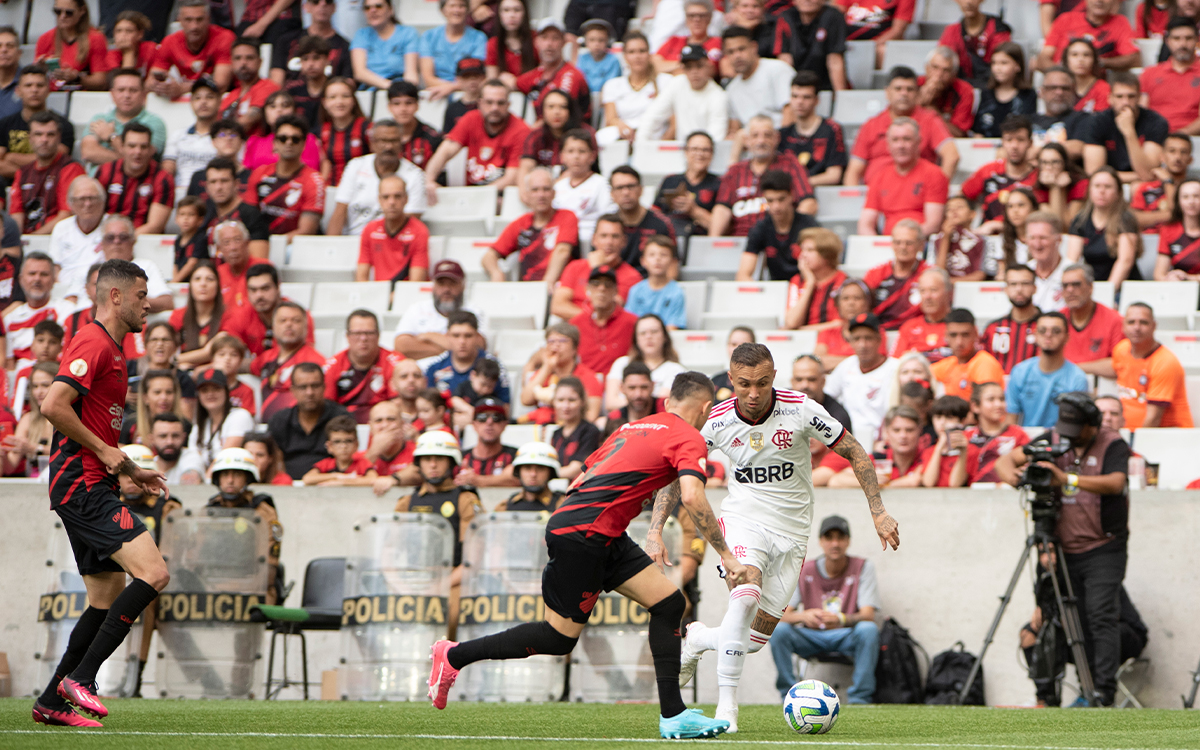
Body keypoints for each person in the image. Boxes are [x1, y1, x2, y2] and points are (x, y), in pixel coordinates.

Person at [429, 372, 748, 740]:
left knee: (669, 604)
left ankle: (673, 715)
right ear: (707, 408)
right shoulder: (688, 436)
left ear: (666, 402)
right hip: (587, 534)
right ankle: (453, 657)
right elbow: (692, 496)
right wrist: (727, 555)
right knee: (558, 638)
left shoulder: (631, 427)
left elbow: (581, 477)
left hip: (596, 529)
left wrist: (650, 528)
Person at [678, 343, 898, 730]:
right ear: (731, 380)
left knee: (753, 639)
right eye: (744, 384)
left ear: (774, 377)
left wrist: (878, 511)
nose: (753, 392)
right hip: (743, 520)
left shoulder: (801, 409)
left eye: (762, 383)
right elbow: (675, 471)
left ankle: (698, 638)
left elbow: (855, 451)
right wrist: (654, 530)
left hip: (793, 532)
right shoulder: (717, 421)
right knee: (745, 596)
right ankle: (726, 709)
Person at [28, 260, 168, 729]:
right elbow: (52, 404)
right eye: (141, 295)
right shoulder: (93, 341)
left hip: (92, 481)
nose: (147, 304)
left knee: (106, 595)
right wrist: (108, 452)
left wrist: (128, 467)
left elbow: (90, 426)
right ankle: (82, 679)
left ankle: (51, 700)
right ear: (115, 296)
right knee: (154, 572)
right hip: (82, 483)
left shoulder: (114, 350)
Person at [992, 391, 1132, 707]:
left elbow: (1115, 483)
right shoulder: (1054, 437)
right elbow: (1005, 460)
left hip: (1104, 547)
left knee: (1100, 616)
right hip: (1060, 548)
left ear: (1092, 425)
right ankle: (1050, 694)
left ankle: (1102, 692)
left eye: (1075, 432)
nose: (1067, 438)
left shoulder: (1113, 444)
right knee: (1056, 617)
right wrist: (1013, 476)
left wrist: (1064, 478)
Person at [769, 514, 880, 702]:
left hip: (845, 634)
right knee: (779, 631)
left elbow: (868, 614)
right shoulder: (805, 568)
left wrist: (842, 619)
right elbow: (781, 615)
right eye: (829, 538)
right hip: (811, 636)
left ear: (848, 541)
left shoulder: (863, 567)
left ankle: (860, 698)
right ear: (821, 541)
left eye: (840, 538)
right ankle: (789, 695)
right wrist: (804, 616)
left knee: (869, 630)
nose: (835, 544)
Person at [843, 67, 958, 186]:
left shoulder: (930, 120)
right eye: (898, 89)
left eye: (910, 89)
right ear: (887, 92)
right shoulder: (871, 125)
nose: (904, 93)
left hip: (916, 195)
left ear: (918, 93)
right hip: (876, 196)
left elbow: (952, 156)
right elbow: (853, 171)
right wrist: (854, 202)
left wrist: (938, 190)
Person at [713, 119, 816, 239]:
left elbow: (808, 203)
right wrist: (713, 245)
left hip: (777, 240)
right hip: (741, 240)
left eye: (767, 135)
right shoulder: (735, 171)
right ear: (746, 140)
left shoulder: (790, 165)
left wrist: (790, 237)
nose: (761, 141)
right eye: (755, 135)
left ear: (776, 138)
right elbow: (722, 209)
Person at [206, 448, 284, 606]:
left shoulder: (263, 511)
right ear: (217, 479)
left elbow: (269, 562)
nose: (230, 480)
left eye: (237, 474)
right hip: (211, 583)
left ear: (248, 478)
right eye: (224, 474)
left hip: (253, 584)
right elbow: (194, 553)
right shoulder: (208, 511)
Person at [424, 79, 530, 195]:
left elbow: (511, 178)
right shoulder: (470, 119)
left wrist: (480, 196)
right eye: (489, 102)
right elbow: (445, 151)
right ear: (480, 103)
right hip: (472, 190)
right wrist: (429, 180)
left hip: (501, 195)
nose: (494, 108)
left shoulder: (521, 130)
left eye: (500, 103)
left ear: (508, 105)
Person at [330, 120, 428, 236]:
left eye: (394, 141)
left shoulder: (415, 175)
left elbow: (411, 222)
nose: (389, 146)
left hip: (391, 243)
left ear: (402, 144)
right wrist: (331, 249)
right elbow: (339, 212)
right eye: (383, 141)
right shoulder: (356, 166)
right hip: (353, 240)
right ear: (372, 143)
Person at [858, 118, 948, 237]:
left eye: (907, 139)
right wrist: (876, 245)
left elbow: (933, 224)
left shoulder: (934, 174)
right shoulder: (880, 176)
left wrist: (903, 241)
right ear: (888, 145)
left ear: (918, 142)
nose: (901, 146)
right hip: (888, 242)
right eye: (895, 140)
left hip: (921, 242)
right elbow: (865, 224)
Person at [486, 168, 576, 285]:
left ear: (554, 193)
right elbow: (489, 255)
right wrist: (496, 273)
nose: (541, 195)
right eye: (535, 190)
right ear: (527, 195)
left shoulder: (567, 216)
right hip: (527, 289)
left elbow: (562, 251)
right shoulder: (521, 223)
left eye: (546, 189)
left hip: (558, 286)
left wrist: (547, 283)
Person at [824, 313, 900, 446]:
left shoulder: (896, 368)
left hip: (882, 441)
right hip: (847, 440)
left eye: (868, 338)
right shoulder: (847, 365)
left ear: (879, 339)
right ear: (851, 342)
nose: (862, 345)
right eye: (857, 339)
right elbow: (826, 396)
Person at [243, 115, 326, 237]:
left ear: (304, 144)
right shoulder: (260, 173)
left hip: (294, 247)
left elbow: (306, 231)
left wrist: (273, 244)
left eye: (295, 139)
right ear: (274, 143)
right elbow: (248, 217)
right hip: (260, 241)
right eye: (283, 138)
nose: (289, 143)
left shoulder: (314, 180)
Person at [1113, 303, 1193, 429]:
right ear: (1123, 325)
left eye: (1143, 322)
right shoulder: (1121, 348)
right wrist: (1079, 366)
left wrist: (1131, 445)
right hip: (1126, 432)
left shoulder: (1165, 362)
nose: (1137, 328)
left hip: (1165, 435)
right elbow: (1115, 367)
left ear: (1154, 326)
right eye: (1131, 322)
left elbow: (1153, 419)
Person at [266, 360, 352, 477]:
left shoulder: (341, 417)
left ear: (324, 387)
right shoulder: (278, 421)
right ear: (292, 391)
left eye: (315, 386)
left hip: (332, 486)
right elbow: (273, 462)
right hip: (287, 488)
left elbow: (349, 459)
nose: (309, 392)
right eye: (303, 387)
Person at [392, 260, 487, 362]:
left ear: (463, 285)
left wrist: (429, 336)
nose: (446, 289)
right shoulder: (417, 309)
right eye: (441, 283)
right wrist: (452, 349)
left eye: (452, 283)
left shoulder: (474, 311)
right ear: (433, 286)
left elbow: (479, 345)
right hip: (420, 373)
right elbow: (401, 346)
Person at [550, 216, 643, 320]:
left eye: (615, 236)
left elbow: (608, 310)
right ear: (594, 239)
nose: (609, 242)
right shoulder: (575, 267)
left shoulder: (632, 276)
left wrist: (598, 269)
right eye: (603, 236)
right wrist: (590, 320)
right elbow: (557, 306)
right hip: (573, 330)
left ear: (624, 241)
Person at [1006, 312, 1089, 428]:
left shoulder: (1077, 378)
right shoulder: (1020, 372)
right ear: (1035, 336)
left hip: (1061, 440)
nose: (1048, 335)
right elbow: (1011, 419)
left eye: (1056, 331)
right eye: (1042, 330)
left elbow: (1076, 424)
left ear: (1067, 337)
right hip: (1026, 440)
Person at [1065, 167, 1142, 290]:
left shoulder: (1126, 220)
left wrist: (1107, 292)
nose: (1101, 191)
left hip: (1122, 287)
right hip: (1092, 286)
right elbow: (1072, 260)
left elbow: (1125, 262)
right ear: (1089, 190)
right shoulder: (1080, 220)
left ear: (1118, 192)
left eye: (1107, 187)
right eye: (1097, 186)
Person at [1082, 73, 1168, 183]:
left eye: (1131, 96)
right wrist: (1136, 176)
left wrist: (1129, 132)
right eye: (1119, 96)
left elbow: (1147, 174)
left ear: (1139, 98)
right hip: (1107, 183)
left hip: (1139, 183)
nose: (1125, 102)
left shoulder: (1156, 122)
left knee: (1137, 187)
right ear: (1110, 99)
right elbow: (1094, 173)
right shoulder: (1096, 121)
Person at [9, 113, 86, 235]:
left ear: (59, 138)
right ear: (30, 138)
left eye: (50, 134)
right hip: (27, 240)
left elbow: (67, 215)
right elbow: (16, 214)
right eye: (38, 134)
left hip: (58, 237)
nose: (44, 140)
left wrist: (34, 239)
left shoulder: (71, 168)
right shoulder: (22, 172)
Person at [636, 45, 729, 144]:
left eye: (699, 66)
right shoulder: (677, 83)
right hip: (681, 150)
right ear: (683, 69)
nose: (694, 72)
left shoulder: (718, 96)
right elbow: (652, 116)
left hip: (705, 153)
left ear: (708, 66)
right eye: (689, 67)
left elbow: (715, 136)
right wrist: (641, 144)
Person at [95, 123, 175, 234]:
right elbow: (93, 212)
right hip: (105, 237)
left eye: (143, 147)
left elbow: (155, 226)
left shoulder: (163, 178)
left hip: (143, 241)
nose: (138, 152)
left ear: (151, 149)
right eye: (132, 146)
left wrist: (123, 240)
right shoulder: (105, 171)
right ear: (122, 147)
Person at [740, 171, 820, 282]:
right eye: (770, 201)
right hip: (774, 289)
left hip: (806, 285)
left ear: (791, 196)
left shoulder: (809, 225)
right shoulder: (760, 227)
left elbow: (822, 269)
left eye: (781, 199)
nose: (776, 206)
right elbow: (743, 275)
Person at [80, 69, 166, 170]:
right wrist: (130, 160)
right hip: (96, 183)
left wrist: (111, 136)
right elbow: (88, 153)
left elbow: (145, 158)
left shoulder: (155, 123)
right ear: (112, 94)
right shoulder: (100, 119)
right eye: (121, 90)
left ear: (144, 94)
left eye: (133, 90)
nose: (127, 96)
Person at [519, 323, 603, 424]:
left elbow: (591, 415)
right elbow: (525, 400)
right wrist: (547, 367)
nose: (556, 345)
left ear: (574, 349)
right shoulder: (543, 372)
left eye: (562, 341)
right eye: (551, 341)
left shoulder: (587, 376)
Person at [0, 66, 75, 181]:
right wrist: (31, 172)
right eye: (28, 85)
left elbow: (55, 159)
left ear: (49, 89)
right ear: (18, 91)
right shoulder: (4, 124)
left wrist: (11, 157)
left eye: (40, 85)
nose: (34, 90)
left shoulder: (63, 125)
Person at [149, 0, 235, 99]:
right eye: (188, 20)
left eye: (199, 20)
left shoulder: (224, 38)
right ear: (179, 20)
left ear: (208, 19)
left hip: (218, 100)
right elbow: (150, 81)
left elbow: (221, 85)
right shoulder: (169, 42)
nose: (194, 26)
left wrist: (183, 89)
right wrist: (160, 87)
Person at [598, 31, 671, 144]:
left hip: (654, 138)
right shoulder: (613, 85)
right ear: (625, 56)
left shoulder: (665, 81)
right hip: (624, 137)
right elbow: (610, 119)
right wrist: (620, 125)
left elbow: (673, 121)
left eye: (642, 51)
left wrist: (659, 146)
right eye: (631, 52)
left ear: (649, 54)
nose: (637, 56)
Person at [828, 404, 924, 488]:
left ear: (919, 431)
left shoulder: (926, 456)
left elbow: (915, 480)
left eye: (909, 430)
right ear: (886, 433)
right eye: (896, 430)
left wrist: (886, 486)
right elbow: (836, 481)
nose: (903, 436)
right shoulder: (878, 458)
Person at [961, 115, 1036, 223]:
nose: (1014, 145)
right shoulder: (988, 171)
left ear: (1030, 143)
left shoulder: (1038, 177)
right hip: (989, 236)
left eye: (1020, 140)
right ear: (1003, 143)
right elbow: (962, 195)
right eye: (1009, 140)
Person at [356, 176, 430, 284]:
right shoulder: (370, 230)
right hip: (379, 295)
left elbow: (415, 283)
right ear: (379, 200)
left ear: (406, 198)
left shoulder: (419, 231)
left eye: (397, 196)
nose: (391, 202)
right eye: (386, 197)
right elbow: (361, 279)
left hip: (406, 297)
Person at [778, 72, 847, 186]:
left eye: (806, 97)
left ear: (817, 100)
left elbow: (834, 175)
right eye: (795, 96)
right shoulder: (784, 134)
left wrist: (799, 185)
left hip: (820, 193)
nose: (799, 102)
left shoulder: (832, 129)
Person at [567, 267, 637, 379]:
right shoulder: (575, 324)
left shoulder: (633, 322)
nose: (601, 289)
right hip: (585, 386)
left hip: (619, 386)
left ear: (616, 290)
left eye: (608, 284)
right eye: (595, 284)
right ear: (587, 289)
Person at [425, 310, 510, 400]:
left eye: (468, 336)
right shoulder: (434, 367)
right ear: (447, 336)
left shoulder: (495, 366)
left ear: (477, 337)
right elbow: (428, 407)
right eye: (456, 335)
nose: (462, 342)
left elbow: (505, 408)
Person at [604, 313, 685, 407]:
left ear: (665, 337)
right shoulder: (621, 363)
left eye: (654, 331)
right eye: (643, 333)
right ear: (636, 339)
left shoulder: (675, 370)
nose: (648, 337)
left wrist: (632, 404)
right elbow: (610, 403)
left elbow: (660, 406)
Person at [4, 254, 71, 368]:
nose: (37, 279)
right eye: (32, 273)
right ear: (20, 280)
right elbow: (8, 364)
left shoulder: (68, 311)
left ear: (54, 279)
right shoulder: (9, 318)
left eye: (44, 274)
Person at [863, 220, 930, 330]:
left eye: (909, 243)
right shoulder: (875, 273)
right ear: (892, 244)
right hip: (879, 332)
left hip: (917, 332)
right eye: (898, 242)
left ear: (921, 245)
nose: (903, 247)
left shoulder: (929, 274)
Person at [162, 79, 221, 204]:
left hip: (213, 197)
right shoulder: (178, 135)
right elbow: (167, 171)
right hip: (180, 196)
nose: (203, 102)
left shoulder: (226, 137)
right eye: (197, 98)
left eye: (209, 97)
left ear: (219, 102)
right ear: (191, 103)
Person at [1036, 0, 1139, 72]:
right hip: (1063, 83)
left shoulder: (1120, 22)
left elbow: (1134, 59)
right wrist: (1062, 73)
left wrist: (1099, 63)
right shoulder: (1065, 20)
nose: (1099, 0)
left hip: (1097, 84)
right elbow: (1043, 58)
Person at [722, 27, 793, 131]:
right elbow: (735, 129)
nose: (737, 56)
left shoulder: (778, 69)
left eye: (741, 49)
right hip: (750, 143)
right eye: (731, 52)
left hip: (781, 138)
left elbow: (791, 111)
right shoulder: (732, 89)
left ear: (754, 47)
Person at [1061, 263, 1123, 379]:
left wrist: (1074, 368)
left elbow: (1120, 364)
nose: (1070, 290)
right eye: (1065, 286)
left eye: (1076, 284)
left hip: (1100, 388)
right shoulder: (1057, 320)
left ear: (1090, 287)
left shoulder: (1114, 320)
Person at [609, 166, 676, 273]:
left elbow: (672, 265)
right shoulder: (606, 226)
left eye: (630, 186)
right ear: (611, 193)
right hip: (615, 285)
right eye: (620, 188)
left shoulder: (661, 223)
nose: (626, 192)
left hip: (651, 285)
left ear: (641, 189)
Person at [270, 1, 354, 86]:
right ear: (306, 7)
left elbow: (347, 85)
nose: (322, 5)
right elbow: (276, 83)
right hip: (290, 97)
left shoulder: (345, 46)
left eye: (328, 1)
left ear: (334, 7)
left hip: (327, 97)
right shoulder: (286, 40)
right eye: (315, 1)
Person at [773, 0, 848, 92]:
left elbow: (835, 61)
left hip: (825, 86)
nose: (807, 0)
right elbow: (785, 61)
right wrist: (787, 96)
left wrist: (840, 97)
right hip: (797, 88)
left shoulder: (834, 16)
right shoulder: (785, 17)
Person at [1139, 19, 1200, 133]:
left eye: (1188, 38)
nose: (1183, 44)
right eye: (1177, 38)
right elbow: (1141, 112)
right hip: (1154, 138)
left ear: (1197, 39)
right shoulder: (1149, 74)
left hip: (1193, 140)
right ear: (1167, 41)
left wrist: (1179, 135)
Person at [549, 132, 610, 246]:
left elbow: (606, 217)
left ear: (592, 156)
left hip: (589, 239)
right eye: (570, 151)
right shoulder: (557, 186)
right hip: (558, 239)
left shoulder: (601, 184)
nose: (576, 156)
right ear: (562, 156)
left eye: (582, 151)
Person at [34, 0, 111, 91]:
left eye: (69, 13)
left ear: (82, 11)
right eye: (58, 12)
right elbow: (33, 80)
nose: (62, 16)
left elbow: (101, 81)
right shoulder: (45, 39)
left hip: (82, 97)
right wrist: (39, 70)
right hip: (52, 96)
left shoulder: (95, 39)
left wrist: (77, 78)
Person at [929, 309, 1005, 400]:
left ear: (976, 333)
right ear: (946, 336)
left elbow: (985, 409)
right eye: (953, 335)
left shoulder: (985, 364)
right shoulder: (950, 363)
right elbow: (924, 373)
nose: (959, 342)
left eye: (965, 335)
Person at [419, 0, 487, 99]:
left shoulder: (478, 38)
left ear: (467, 10)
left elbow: (477, 77)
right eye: (452, 6)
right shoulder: (429, 37)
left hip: (469, 94)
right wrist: (451, 87)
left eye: (461, 6)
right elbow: (428, 78)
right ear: (443, 10)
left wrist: (451, 88)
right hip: (437, 92)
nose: (457, 10)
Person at [982, 264, 1041, 374]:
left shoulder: (1046, 326)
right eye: (1013, 284)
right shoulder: (993, 328)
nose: (1019, 289)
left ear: (1035, 288)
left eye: (1025, 283)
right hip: (998, 388)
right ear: (1006, 289)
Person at [938, 0, 1011, 89]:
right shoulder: (951, 31)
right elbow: (943, 62)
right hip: (959, 88)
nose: (968, 2)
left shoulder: (997, 29)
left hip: (994, 87)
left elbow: (1004, 63)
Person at [189, 368, 255, 466]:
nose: (210, 394)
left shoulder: (240, 416)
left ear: (226, 391)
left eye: (216, 388)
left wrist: (206, 480)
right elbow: (193, 461)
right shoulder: (199, 426)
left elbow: (225, 459)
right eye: (204, 390)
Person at [966, 381, 1030, 480]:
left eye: (1002, 399)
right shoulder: (967, 437)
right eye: (991, 399)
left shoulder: (1018, 434)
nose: (998, 404)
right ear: (975, 406)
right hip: (972, 493)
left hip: (1008, 492)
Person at [349, 0, 419, 90]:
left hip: (401, 89)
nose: (373, 11)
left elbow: (411, 73)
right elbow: (360, 73)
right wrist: (391, 87)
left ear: (390, 10)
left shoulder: (408, 33)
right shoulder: (361, 35)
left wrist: (406, 90)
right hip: (370, 91)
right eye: (367, 8)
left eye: (378, 6)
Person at [244, 91, 322, 171]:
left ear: (294, 110)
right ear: (264, 112)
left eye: (285, 106)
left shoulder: (307, 139)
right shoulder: (254, 142)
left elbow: (312, 169)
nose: (279, 110)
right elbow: (247, 174)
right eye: (273, 106)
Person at [973, 43, 1036, 138]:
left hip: (1015, 148)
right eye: (994, 63)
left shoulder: (1028, 94)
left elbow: (1030, 128)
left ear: (1018, 66)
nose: (997, 68)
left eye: (1004, 63)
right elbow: (978, 130)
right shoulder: (986, 93)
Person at [1133, 134, 1192, 234]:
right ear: (1162, 157)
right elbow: (1134, 220)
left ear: (1190, 159)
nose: (1178, 157)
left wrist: (1168, 181)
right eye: (1172, 151)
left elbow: (1180, 215)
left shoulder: (1194, 189)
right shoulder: (1146, 188)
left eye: (1183, 152)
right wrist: (1170, 215)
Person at [5, 361, 57, 476]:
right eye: (35, 386)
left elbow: (68, 454)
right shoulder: (27, 419)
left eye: (45, 385)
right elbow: (10, 466)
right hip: (33, 485)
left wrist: (36, 448)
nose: (39, 392)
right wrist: (2, 456)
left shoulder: (71, 418)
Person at [892, 268, 953, 362]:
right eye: (922, 291)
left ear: (949, 293)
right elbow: (896, 364)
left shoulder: (960, 326)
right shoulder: (909, 327)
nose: (927, 296)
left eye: (933, 290)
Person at [625, 236, 687, 329]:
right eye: (652, 255)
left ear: (672, 261)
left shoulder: (677, 292)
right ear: (643, 261)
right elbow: (629, 323)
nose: (657, 259)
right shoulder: (635, 290)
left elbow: (673, 327)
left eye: (663, 255)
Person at [302, 414, 378, 485]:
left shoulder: (362, 463)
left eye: (348, 441)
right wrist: (336, 476)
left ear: (356, 444)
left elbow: (373, 479)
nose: (343, 446)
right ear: (329, 446)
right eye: (337, 442)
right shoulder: (326, 464)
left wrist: (344, 482)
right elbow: (307, 479)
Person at [1032, 67, 1089, 158]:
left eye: (1065, 88)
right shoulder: (1028, 121)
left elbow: (1077, 148)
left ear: (1074, 91)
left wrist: (1035, 151)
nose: (1059, 92)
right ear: (1041, 92)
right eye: (1052, 88)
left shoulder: (1084, 119)